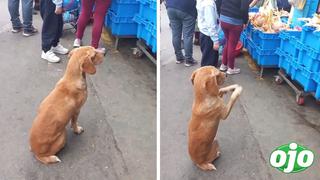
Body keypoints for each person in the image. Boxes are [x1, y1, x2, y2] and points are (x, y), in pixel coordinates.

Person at [219, 0, 251, 75]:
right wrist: (245, 21)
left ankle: (223, 65)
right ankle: (231, 68)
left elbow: (218, 2)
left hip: (223, 18)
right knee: (232, 45)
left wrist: (220, 13)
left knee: (228, 41)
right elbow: (244, 8)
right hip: (234, 21)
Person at [166, 0, 198, 67]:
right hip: (186, 9)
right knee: (187, 36)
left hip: (171, 7)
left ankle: (179, 57)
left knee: (176, 34)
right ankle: (188, 60)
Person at [196, 0, 220, 67]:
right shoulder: (208, 4)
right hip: (208, 36)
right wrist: (215, 41)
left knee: (208, 61)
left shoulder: (203, 2)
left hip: (205, 33)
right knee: (208, 65)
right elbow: (211, 24)